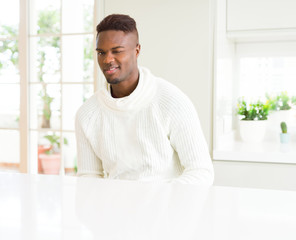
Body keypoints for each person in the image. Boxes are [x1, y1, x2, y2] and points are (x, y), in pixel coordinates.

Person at [75, 14, 214, 185]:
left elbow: (201, 171)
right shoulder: (87, 114)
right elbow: (89, 177)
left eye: (117, 51)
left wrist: (157, 202)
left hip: (169, 208)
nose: (107, 60)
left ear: (137, 50)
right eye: (101, 53)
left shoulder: (171, 101)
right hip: (113, 209)